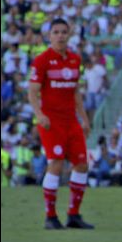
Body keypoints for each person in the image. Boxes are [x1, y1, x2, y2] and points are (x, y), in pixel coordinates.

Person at [27, 18, 94, 229]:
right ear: (49, 35)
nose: (60, 35)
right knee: (55, 163)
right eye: (56, 32)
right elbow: (32, 92)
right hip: (51, 121)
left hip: (70, 121)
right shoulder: (42, 60)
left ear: (69, 34)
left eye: (64, 32)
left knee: (82, 164)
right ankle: (50, 216)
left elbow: (75, 92)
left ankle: (73, 215)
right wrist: (39, 114)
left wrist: (84, 118)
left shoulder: (75, 59)